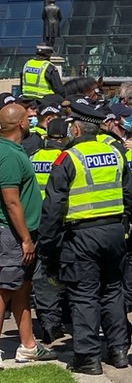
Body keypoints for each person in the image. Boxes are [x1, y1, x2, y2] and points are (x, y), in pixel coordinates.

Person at [38, 101, 132, 375]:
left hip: (82, 235)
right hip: (115, 232)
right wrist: (124, 224)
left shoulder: (68, 158)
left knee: (84, 295)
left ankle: (87, 357)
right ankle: (118, 350)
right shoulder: (115, 154)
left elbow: (53, 207)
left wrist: (48, 245)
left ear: (77, 129)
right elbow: (130, 195)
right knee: (113, 290)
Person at [0, 103, 58, 365]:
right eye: (29, 116)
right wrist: (24, 238)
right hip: (13, 236)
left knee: (23, 289)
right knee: (4, 291)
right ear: (21, 124)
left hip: (25, 235)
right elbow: (11, 201)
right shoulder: (8, 155)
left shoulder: (14, 150)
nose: (33, 119)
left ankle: (29, 345)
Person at [30, 117, 70, 344]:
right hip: (63, 224)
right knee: (67, 275)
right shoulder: (65, 158)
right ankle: (63, 319)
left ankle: (49, 323)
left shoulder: (33, 158)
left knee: (43, 277)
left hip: (38, 224)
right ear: (65, 137)